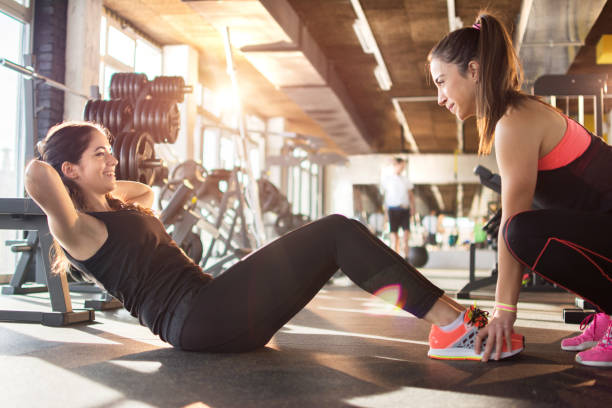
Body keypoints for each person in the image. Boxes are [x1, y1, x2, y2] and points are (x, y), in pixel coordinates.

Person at [26, 121, 523, 359]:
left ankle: (459, 323)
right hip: (198, 319)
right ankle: (457, 326)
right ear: (68, 169)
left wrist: (94, 174)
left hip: (210, 312)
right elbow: (35, 174)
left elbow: (147, 188)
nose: (112, 158)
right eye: (99, 153)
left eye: (111, 149)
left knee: (335, 240)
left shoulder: (116, 208)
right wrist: (57, 161)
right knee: (334, 231)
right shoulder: (77, 229)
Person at [429, 12, 612, 366]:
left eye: (441, 81)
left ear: (474, 70)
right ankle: (606, 310)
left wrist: (503, 312)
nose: (439, 97)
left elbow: (515, 223)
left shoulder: (515, 121)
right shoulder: (512, 116)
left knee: (520, 231)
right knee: (521, 228)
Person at [380, 157, 415, 257]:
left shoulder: (406, 180)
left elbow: (411, 195)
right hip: (392, 209)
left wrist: (413, 208)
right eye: (402, 165)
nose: (403, 168)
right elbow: (385, 196)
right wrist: (386, 214)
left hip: (404, 209)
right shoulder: (387, 179)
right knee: (394, 237)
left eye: (404, 166)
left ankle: (406, 258)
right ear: (396, 165)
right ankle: (396, 258)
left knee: (406, 236)